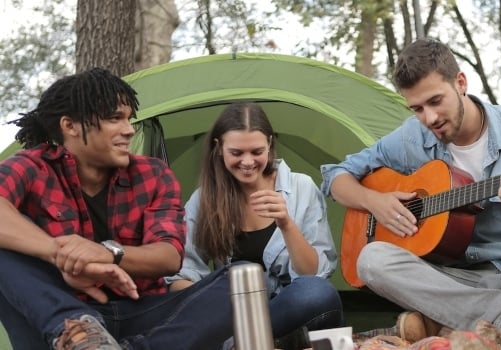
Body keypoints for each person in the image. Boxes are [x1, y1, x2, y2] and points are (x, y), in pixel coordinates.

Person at [319, 37, 501, 341]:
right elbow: (335, 177)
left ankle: (461, 313)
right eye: (417, 108)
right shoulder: (412, 138)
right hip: (459, 276)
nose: (429, 118)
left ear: (460, 82)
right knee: (371, 260)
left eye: (435, 101)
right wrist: (374, 201)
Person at [0, 68, 235, 349]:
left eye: (128, 118)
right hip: (58, 319)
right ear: (70, 126)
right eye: (114, 118)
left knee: (244, 279)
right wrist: (58, 254)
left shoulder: (153, 173)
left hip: (144, 311)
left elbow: (169, 255)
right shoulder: (33, 166)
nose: (129, 129)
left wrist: (107, 254)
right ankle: (82, 334)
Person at [166, 102, 343, 349]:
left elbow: (312, 274)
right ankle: (268, 342)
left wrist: (286, 223)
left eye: (256, 152)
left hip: (289, 309)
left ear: (269, 145)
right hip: (232, 312)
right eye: (237, 153)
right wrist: (219, 301)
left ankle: (256, 342)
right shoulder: (205, 199)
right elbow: (179, 276)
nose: (248, 162)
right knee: (238, 273)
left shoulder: (301, 188)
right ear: (219, 148)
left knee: (318, 292)